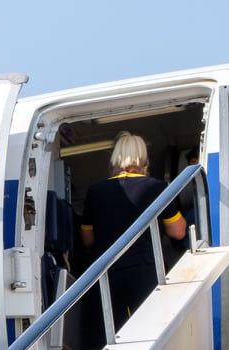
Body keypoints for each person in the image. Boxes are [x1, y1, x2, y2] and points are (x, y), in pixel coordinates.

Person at [78, 132, 188, 328]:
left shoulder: (96, 192)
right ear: (144, 159)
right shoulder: (156, 187)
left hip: (108, 274)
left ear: (115, 159)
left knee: (117, 332)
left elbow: (87, 239)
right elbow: (178, 232)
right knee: (150, 328)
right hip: (145, 271)